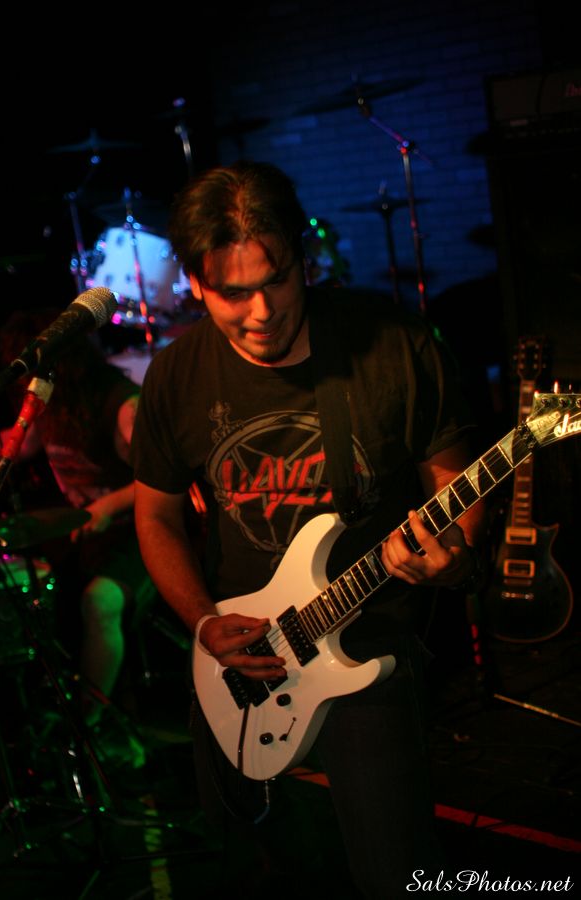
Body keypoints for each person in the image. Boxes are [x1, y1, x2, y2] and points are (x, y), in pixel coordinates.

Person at [131, 161, 486, 897]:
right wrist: (203, 622)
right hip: (237, 658)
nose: (262, 311)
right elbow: (156, 514)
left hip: (368, 639)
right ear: (195, 283)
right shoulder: (175, 376)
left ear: (304, 256)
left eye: (279, 280)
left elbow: (456, 483)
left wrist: (451, 555)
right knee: (247, 870)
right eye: (233, 293)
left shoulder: (392, 344)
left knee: (396, 873)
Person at [0, 311, 151, 768]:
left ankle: (91, 725)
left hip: (139, 534)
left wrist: (107, 506)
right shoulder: (53, 404)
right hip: (88, 536)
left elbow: (162, 479)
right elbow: (18, 445)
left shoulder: (122, 405)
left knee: (100, 602)